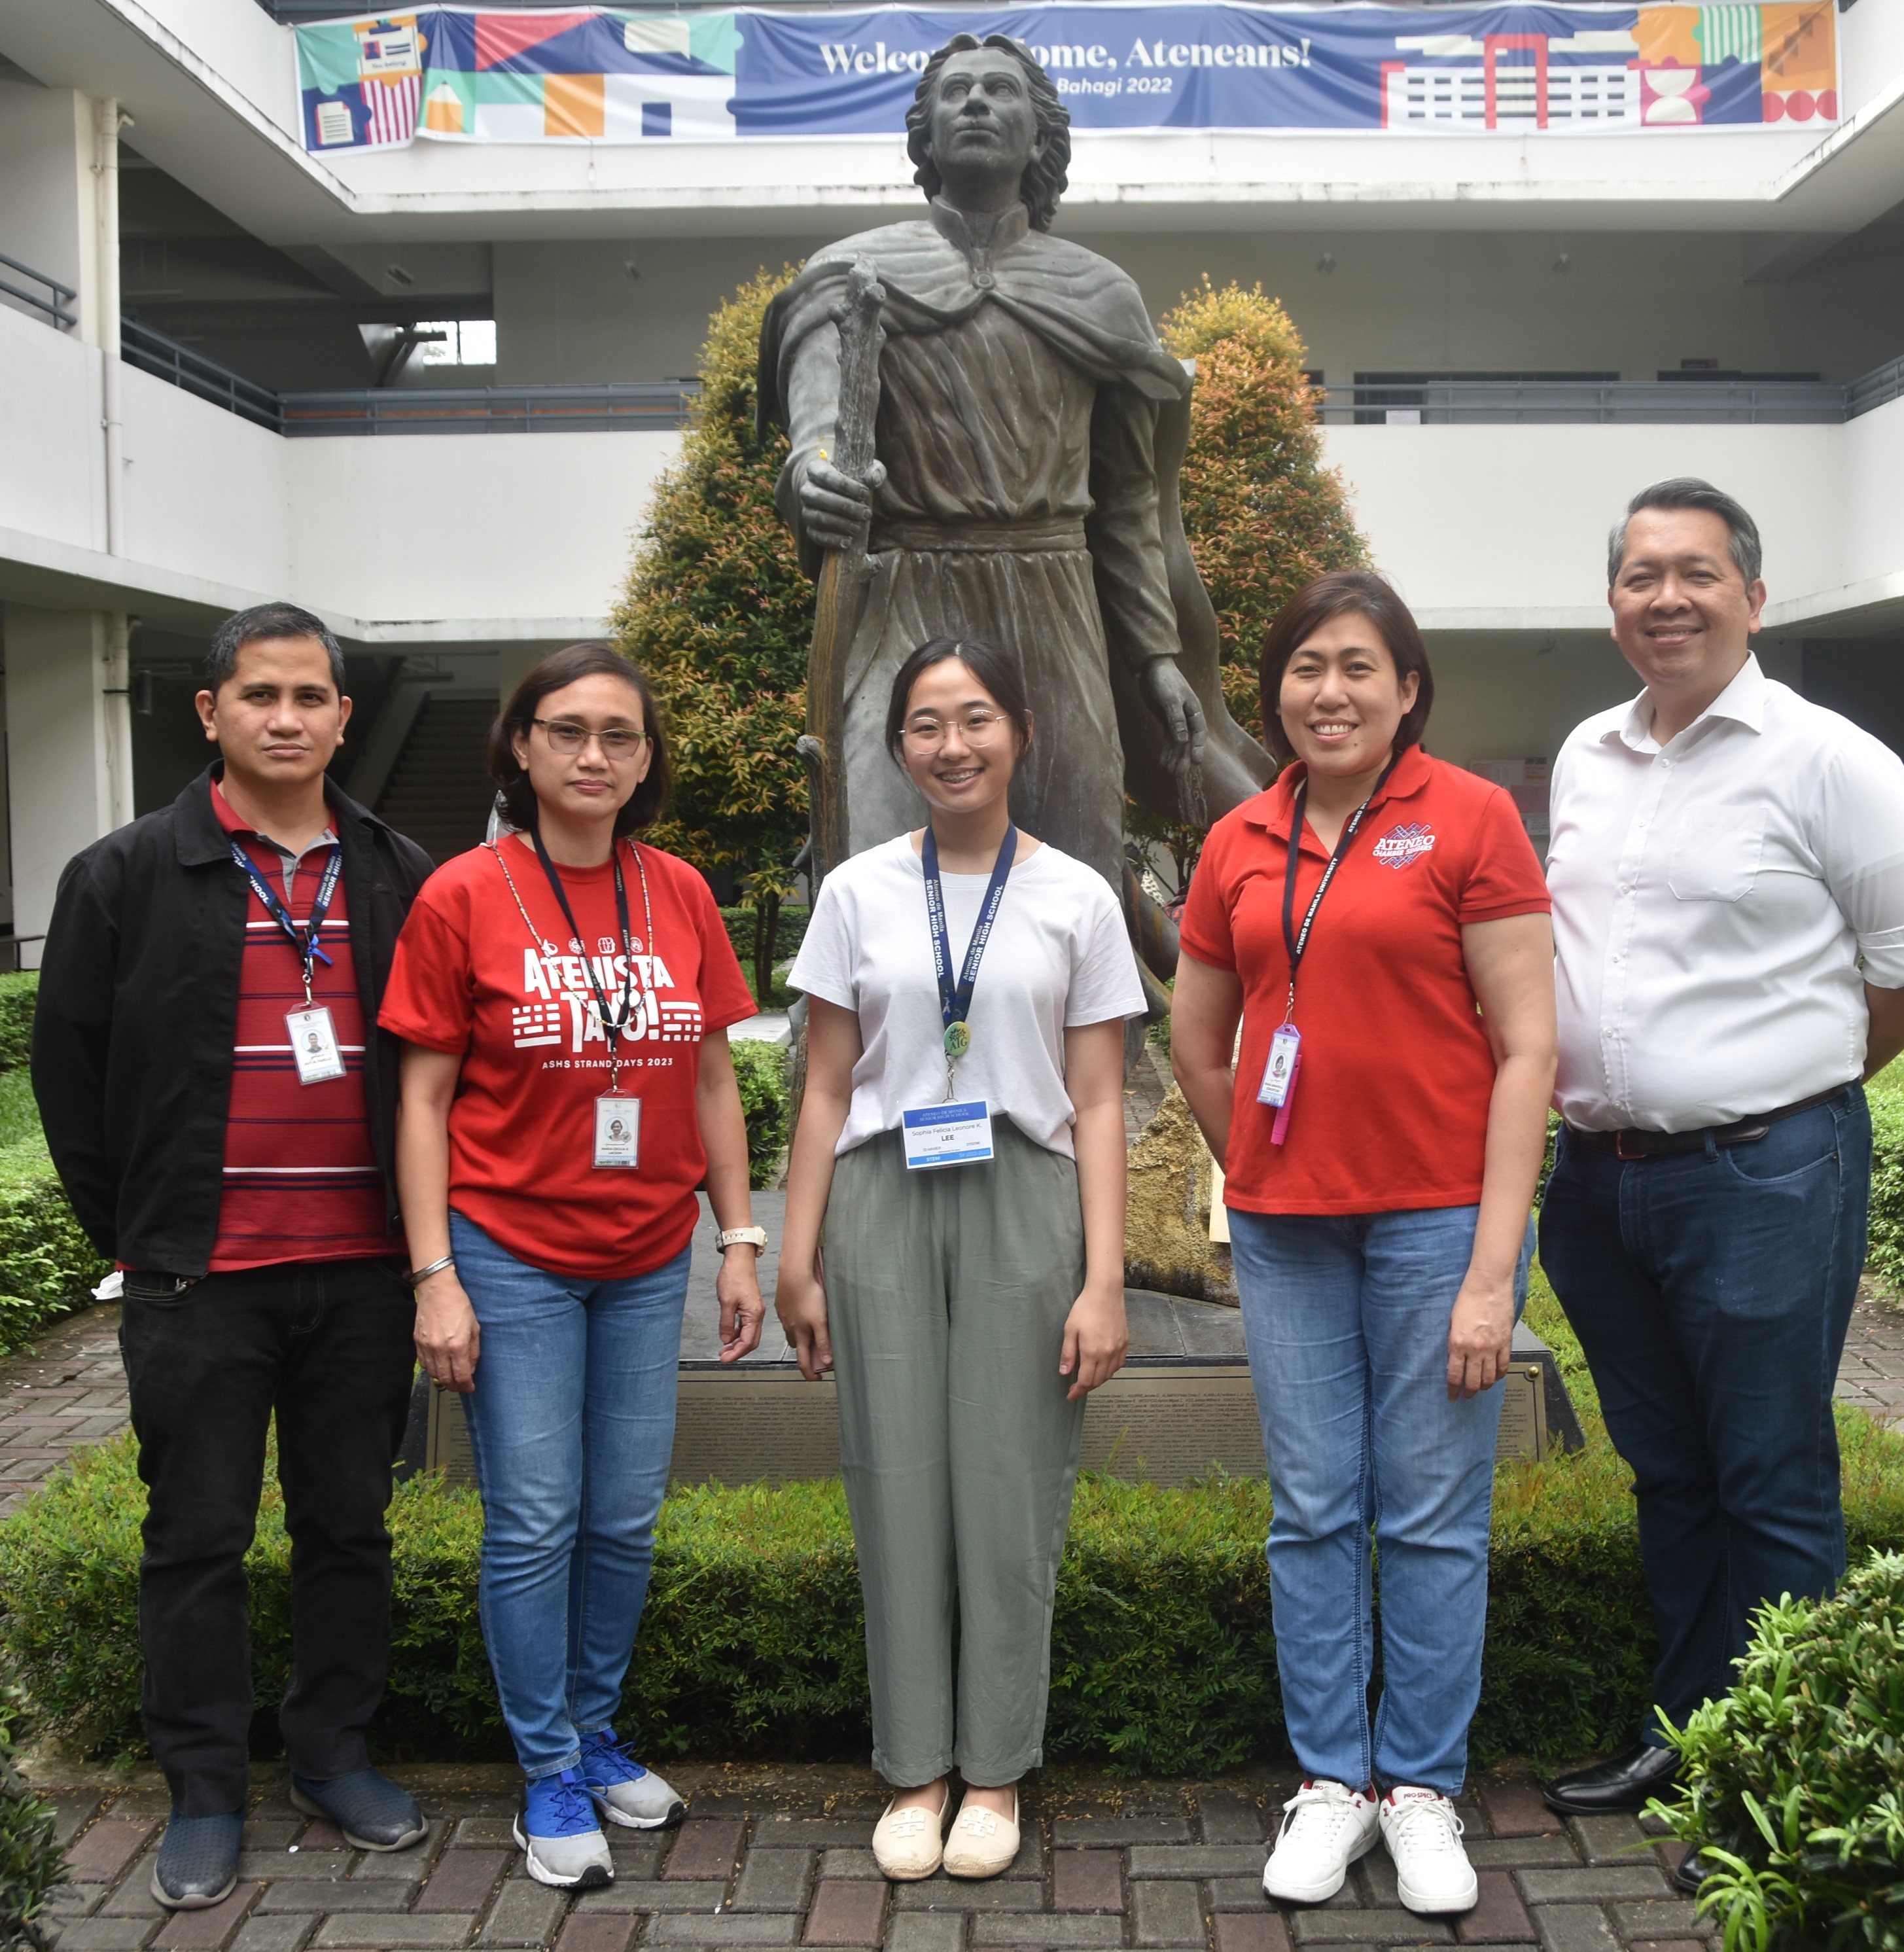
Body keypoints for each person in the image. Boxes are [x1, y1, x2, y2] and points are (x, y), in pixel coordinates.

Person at [1537, 480, 1904, 1885]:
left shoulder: (1831, 759)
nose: (1666, 597)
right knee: (1670, 1473)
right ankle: (1687, 1731)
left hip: (1764, 1173)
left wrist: (1796, 1092)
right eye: (1640, 575)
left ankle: (1772, 1772)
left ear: (1754, 596)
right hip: (1599, 1185)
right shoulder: (1587, 755)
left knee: (1773, 1477)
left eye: (1696, 573)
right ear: (1613, 601)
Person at [33, 603, 434, 1909]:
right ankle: (204, 1784)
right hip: (202, 1281)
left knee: (348, 1526)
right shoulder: (122, 876)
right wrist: (142, 1241)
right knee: (193, 1538)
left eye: (309, 695)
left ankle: (331, 1752)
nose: (285, 716)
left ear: (340, 716)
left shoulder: (396, 872)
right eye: (258, 693)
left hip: (366, 1274)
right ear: (210, 713)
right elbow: (71, 1081)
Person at [1170, 572, 1557, 1920]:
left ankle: (1423, 1790)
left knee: (1436, 1514)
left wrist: (1493, 1273)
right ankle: (1334, 1778)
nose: (1328, 691)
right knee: (1316, 1506)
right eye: (1304, 669)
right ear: (1273, 689)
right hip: (1290, 1233)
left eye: (1357, 667)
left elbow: (1527, 1049)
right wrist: (1259, 1167)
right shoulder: (1238, 838)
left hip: (1438, 1221)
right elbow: (1196, 1039)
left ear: (1406, 687)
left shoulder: (1471, 818)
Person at [379, 643, 767, 1891]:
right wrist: (435, 1271)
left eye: (619, 735)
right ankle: (546, 1765)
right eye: (568, 731)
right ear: (522, 748)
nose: (594, 755)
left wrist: (739, 1239)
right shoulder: (465, 893)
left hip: (650, 1252)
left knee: (623, 1515)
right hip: (510, 1254)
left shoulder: (681, 893)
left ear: (646, 758)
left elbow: (711, 1075)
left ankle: (596, 1735)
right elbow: (423, 1098)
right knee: (536, 1518)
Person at [776, 635, 1142, 1881]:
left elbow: (1099, 1101)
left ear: (1021, 732)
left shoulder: (1080, 896)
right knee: (895, 1486)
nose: (952, 745)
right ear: (899, 748)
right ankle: (914, 1769)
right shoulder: (857, 891)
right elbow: (827, 1085)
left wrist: (1104, 1277)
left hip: (1022, 1199)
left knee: (1008, 1486)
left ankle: (994, 1772)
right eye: (925, 724)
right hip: (882, 1194)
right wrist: (795, 1250)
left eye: (975, 718)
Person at [760, 33, 1270, 895]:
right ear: (924, 138)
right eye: (955, 92)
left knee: (1075, 864)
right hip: (903, 596)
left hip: (1057, 600)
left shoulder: (1098, 292)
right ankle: (861, 1028)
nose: (975, 102)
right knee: (879, 856)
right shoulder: (850, 274)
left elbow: (1126, 504)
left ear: (1039, 136)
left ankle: (1097, 1032)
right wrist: (815, 479)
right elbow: (816, 432)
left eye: (1000, 90)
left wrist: (1153, 655)